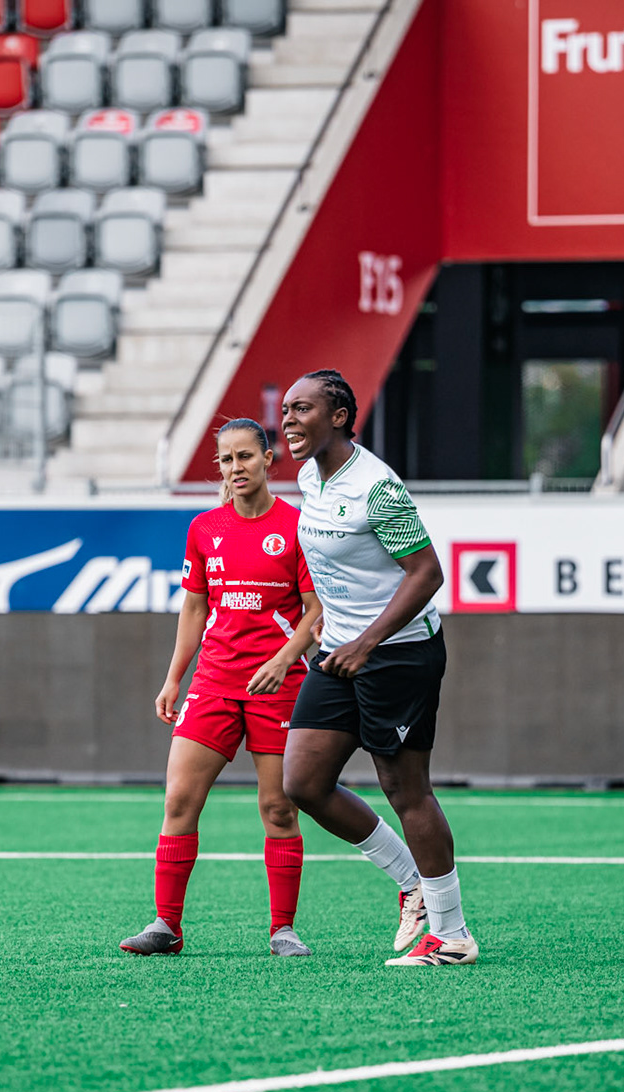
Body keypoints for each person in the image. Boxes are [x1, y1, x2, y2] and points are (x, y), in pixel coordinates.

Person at [279, 370, 475, 966]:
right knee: (304, 784)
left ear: (338, 416)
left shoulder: (377, 488)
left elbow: (427, 574)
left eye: (302, 408)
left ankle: (452, 934)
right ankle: (412, 883)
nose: (287, 418)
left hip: (397, 653)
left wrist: (367, 643)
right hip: (339, 650)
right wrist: (325, 634)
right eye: (285, 408)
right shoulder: (311, 475)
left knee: (404, 788)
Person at [120, 420, 324, 958]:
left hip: (278, 686)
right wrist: (173, 678)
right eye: (227, 460)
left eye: (245, 457)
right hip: (213, 683)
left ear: (268, 459)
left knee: (279, 808)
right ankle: (166, 925)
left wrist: (285, 660)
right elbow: (194, 607)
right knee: (179, 800)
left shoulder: (299, 526)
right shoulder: (205, 528)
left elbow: (315, 612)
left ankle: (283, 930)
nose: (236, 468)